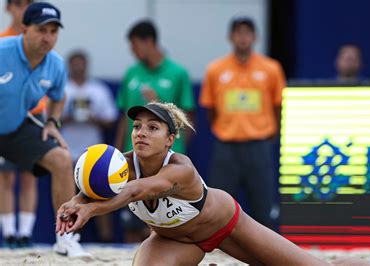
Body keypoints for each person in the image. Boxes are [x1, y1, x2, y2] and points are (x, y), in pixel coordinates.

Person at [55, 102, 332, 265]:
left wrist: (90, 210)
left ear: (169, 139)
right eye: (137, 126)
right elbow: (96, 189)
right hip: (172, 238)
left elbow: (135, 191)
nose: (141, 133)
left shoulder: (180, 169)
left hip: (226, 226)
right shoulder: (121, 165)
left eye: (153, 128)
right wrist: (75, 202)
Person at [0, 2, 89, 256]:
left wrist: (53, 122)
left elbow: (59, 96)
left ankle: (65, 238)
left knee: (62, 159)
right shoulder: (2, 51)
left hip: (18, 127)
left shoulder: (56, 64)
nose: (48, 38)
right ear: (24, 28)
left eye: (53, 31)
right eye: (41, 30)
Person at [199, 16, 284, 229]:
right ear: (230, 37)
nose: (243, 37)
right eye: (238, 32)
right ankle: (216, 253)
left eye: (247, 33)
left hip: (259, 145)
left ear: (255, 37)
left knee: (262, 206)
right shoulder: (215, 69)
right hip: (226, 147)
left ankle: (264, 254)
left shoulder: (271, 68)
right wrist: (225, 128)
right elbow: (210, 108)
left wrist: (270, 133)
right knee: (218, 206)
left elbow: (278, 105)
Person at [115, 19, 195, 242]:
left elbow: (187, 117)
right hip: (133, 159)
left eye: (134, 45)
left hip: (165, 162)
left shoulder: (178, 73)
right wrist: (117, 150)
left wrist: (157, 102)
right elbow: (124, 118)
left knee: (161, 225)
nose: (132, 51)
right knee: (130, 224)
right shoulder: (131, 73)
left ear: (149, 42)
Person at [0, 0, 48, 249]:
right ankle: (9, 234)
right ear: (9, 8)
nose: (22, 9)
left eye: (27, 3)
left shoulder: (41, 39)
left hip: (35, 114)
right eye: (18, 4)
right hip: (6, 116)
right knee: (5, 176)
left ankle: (25, 234)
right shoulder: (2, 40)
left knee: (30, 175)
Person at [61, 50, 118, 242]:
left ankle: (106, 237)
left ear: (87, 65)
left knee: (100, 197)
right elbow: (48, 119)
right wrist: (67, 118)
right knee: (68, 197)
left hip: (93, 154)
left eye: (81, 63)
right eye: (75, 63)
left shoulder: (98, 90)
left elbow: (111, 120)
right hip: (67, 151)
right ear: (69, 65)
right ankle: (68, 236)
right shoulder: (62, 88)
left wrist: (93, 118)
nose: (78, 67)